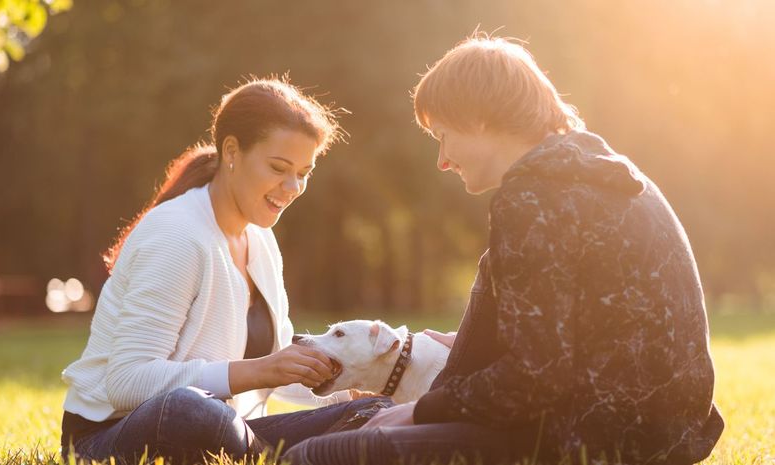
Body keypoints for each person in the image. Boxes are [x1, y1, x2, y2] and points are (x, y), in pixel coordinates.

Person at [281, 34, 723, 465]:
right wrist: (470, 348)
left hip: (597, 440)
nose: (443, 160)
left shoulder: (533, 195)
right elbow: (573, 337)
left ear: (478, 120)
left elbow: (535, 378)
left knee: (316, 455)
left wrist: (421, 410)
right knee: (365, 419)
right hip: (663, 434)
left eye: (444, 135)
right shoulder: (596, 174)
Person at [59, 77, 391, 465]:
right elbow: (127, 381)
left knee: (378, 411)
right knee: (191, 409)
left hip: (232, 431)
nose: (294, 186)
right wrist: (259, 370)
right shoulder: (178, 235)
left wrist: (348, 387)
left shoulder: (261, 239)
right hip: (112, 436)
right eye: (279, 167)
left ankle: (288, 457)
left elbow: (280, 371)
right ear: (232, 150)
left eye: (304, 172)